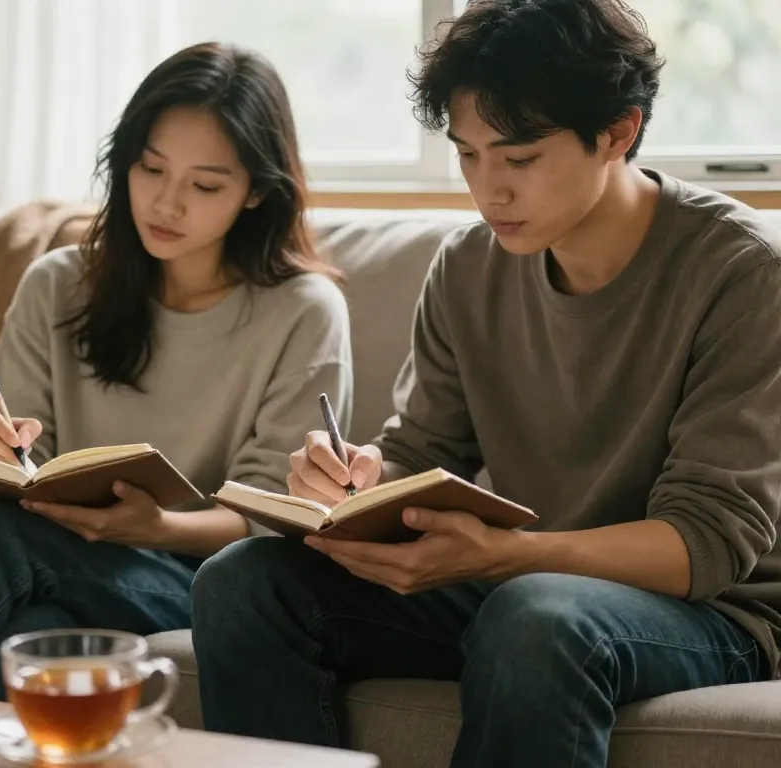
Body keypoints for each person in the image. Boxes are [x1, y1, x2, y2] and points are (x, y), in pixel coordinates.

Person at [190, 2, 781, 766]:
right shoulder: (468, 266)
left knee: (535, 614)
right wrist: (360, 482)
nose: (487, 189)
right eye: (467, 155)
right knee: (244, 580)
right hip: (522, 580)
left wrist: (507, 555)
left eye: (519, 158)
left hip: (709, 614)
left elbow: (703, 547)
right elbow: (422, 450)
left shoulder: (741, 274)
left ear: (618, 132)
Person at [0, 41, 353, 700]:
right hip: (52, 556)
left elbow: (271, 516)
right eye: (150, 168)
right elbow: (19, 474)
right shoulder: (59, 282)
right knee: (27, 631)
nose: (167, 203)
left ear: (256, 191)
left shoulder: (304, 311)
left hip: (201, 580)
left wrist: (156, 528)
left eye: (204, 185)